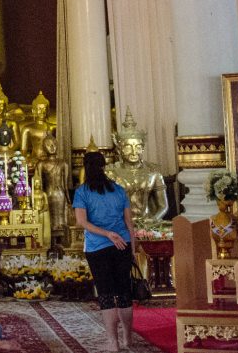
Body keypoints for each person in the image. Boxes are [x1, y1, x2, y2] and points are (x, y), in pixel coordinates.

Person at [74, 151, 136, 353]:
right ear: (104, 167)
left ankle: (113, 342)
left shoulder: (82, 192)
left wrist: (107, 234)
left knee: (107, 295)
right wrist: (132, 249)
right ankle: (128, 336)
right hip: (123, 245)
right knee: (124, 293)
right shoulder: (118, 190)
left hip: (97, 247)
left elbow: (82, 222)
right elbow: (129, 223)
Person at [105, 109, 167, 228]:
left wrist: (153, 220)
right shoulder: (111, 173)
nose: (134, 152)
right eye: (128, 147)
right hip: (119, 225)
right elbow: (106, 206)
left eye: (138, 147)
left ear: (142, 149)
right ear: (119, 150)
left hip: (147, 223)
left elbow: (163, 206)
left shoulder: (153, 172)